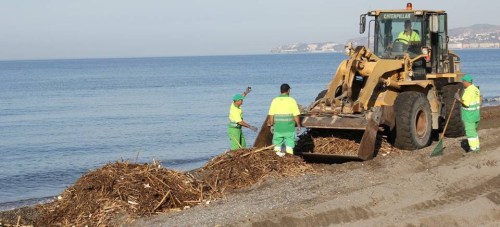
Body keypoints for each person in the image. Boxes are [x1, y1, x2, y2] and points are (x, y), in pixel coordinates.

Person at [267, 83, 301, 157]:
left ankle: (277, 158)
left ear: (280, 91)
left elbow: (271, 114)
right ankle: (290, 159)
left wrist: (272, 125)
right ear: (288, 91)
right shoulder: (292, 100)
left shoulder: (275, 100)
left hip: (278, 127)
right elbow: (295, 115)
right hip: (289, 128)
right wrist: (298, 125)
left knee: (277, 144)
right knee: (289, 145)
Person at [454, 75, 481, 153]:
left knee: (470, 132)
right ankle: (477, 147)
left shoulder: (468, 91)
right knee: (474, 132)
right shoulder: (476, 89)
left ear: (466, 82)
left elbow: (466, 104)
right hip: (476, 114)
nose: (462, 83)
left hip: (469, 116)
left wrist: (458, 98)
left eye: (463, 82)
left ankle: (473, 148)